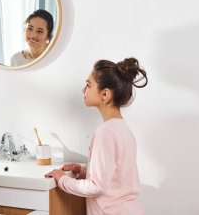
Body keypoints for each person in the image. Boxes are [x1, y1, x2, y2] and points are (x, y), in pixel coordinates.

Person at [45, 57, 148, 215]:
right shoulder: (123, 128)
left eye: (88, 85)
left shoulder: (105, 132)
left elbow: (96, 186)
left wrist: (62, 179)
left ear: (105, 94)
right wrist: (83, 170)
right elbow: (117, 174)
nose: (83, 90)